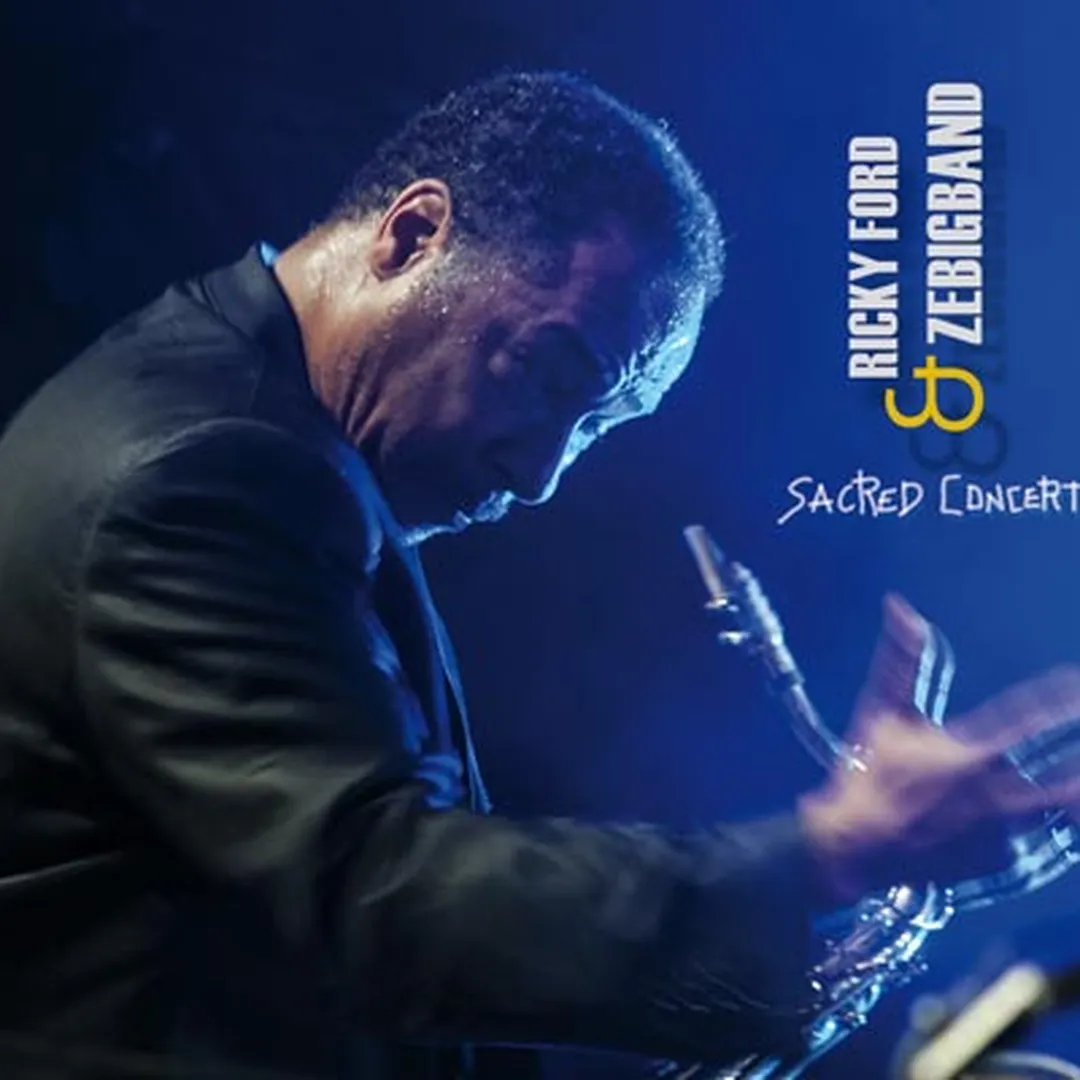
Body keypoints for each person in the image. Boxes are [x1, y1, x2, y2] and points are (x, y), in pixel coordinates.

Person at [0, 70, 1077, 1080]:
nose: (539, 476)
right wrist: (826, 854)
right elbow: (384, 896)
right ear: (412, 235)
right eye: (548, 374)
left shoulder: (250, 428)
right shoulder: (212, 470)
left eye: (598, 426)